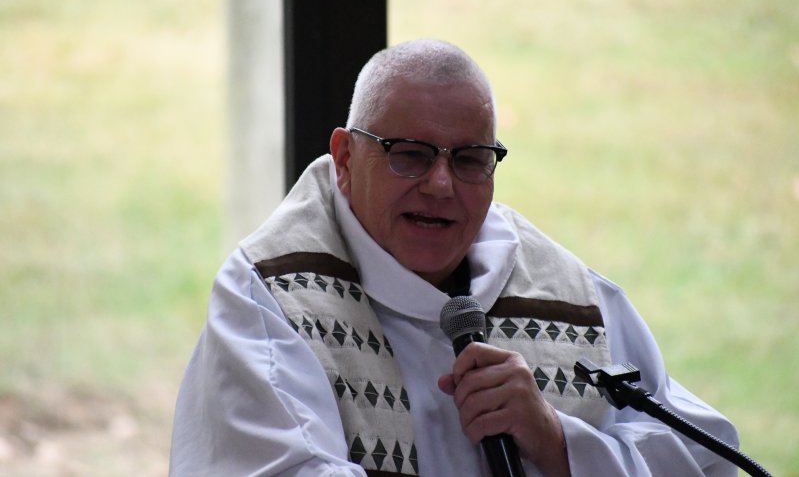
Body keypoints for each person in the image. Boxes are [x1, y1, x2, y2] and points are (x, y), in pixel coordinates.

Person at [169, 39, 739, 476]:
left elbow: (708, 459)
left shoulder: (572, 299)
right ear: (343, 157)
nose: (441, 185)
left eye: (469, 159)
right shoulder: (270, 297)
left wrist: (561, 444)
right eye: (409, 155)